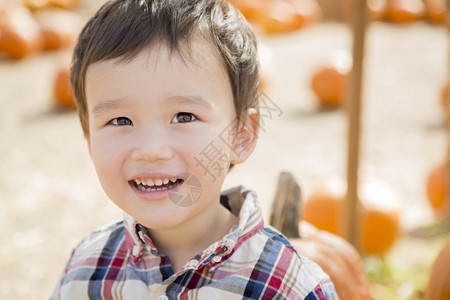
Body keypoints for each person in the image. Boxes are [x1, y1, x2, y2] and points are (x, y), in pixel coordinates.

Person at [51, 0, 339, 299]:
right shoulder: (83, 271)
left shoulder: (289, 287)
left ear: (241, 136)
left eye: (184, 117)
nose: (151, 150)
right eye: (120, 120)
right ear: (89, 139)